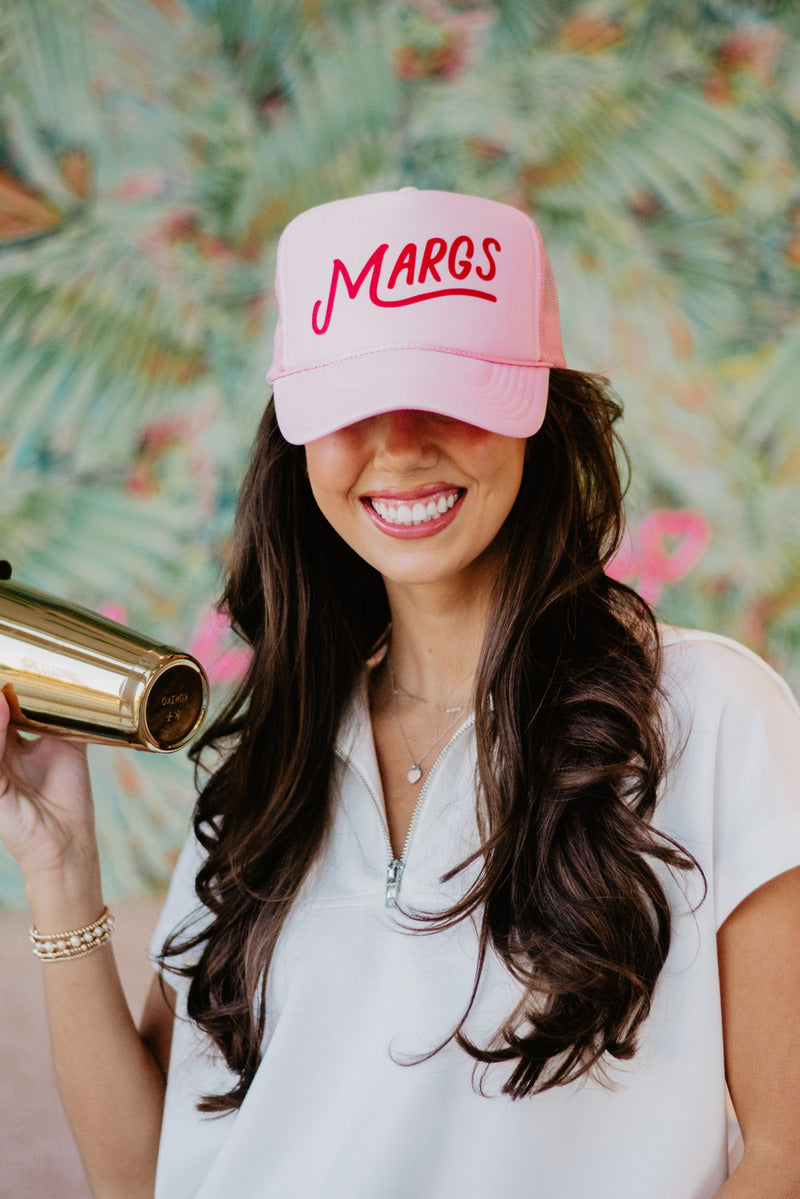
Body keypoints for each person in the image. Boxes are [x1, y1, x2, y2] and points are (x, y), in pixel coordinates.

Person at [1, 187, 800, 1199]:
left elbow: (786, 1151)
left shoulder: (706, 711)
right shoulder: (270, 773)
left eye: (453, 388)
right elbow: (141, 1178)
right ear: (296, 433)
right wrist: (58, 858)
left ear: (537, 409)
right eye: (349, 402)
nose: (401, 441)